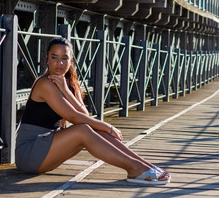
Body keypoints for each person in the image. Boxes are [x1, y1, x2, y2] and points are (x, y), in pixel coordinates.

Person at [15, 37, 170, 185]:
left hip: (46, 150)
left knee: (92, 129)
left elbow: (84, 114)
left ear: (71, 61)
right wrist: (108, 127)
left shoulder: (63, 83)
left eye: (65, 58)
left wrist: (66, 91)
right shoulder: (45, 84)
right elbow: (74, 118)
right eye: (54, 57)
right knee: (84, 130)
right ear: (46, 59)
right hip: (30, 153)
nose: (59, 63)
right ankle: (135, 169)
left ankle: (144, 165)